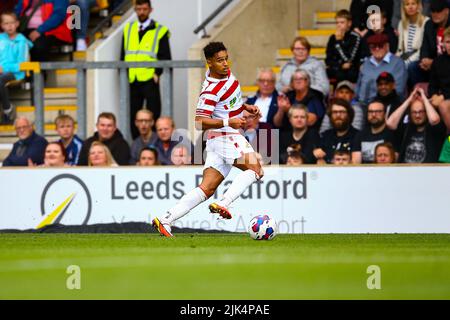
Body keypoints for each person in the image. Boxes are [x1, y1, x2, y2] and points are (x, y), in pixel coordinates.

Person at [152, 42, 263, 237]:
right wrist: (230, 121)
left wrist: (245, 107)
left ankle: (165, 219)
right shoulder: (210, 90)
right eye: (220, 60)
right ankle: (224, 203)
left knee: (207, 187)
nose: (225, 63)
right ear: (209, 62)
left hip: (220, 138)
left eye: (226, 58)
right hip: (224, 135)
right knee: (256, 169)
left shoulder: (225, 75)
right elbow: (199, 122)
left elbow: (230, 100)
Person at [121, 0, 171, 139]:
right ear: (135, 9)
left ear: (150, 10)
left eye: (144, 9)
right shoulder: (128, 29)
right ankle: (137, 145)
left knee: (153, 112)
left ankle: (154, 143)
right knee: (133, 115)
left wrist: (157, 73)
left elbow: (165, 56)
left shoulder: (160, 30)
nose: (141, 12)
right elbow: (123, 55)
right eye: (138, 9)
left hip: (150, 78)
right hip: (133, 78)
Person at [386, 87, 447, 162]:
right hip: (405, 172)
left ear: (426, 112)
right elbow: (390, 123)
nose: (417, 115)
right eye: (414, 112)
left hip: (429, 171)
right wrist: (408, 101)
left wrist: (424, 99)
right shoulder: (406, 127)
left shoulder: (434, 128)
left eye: (421, 112)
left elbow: (434, 120)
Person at [355, 33, 407, 107]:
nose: (377, 49)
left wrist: (375, 103)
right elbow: (358, 88)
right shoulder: (366, 64)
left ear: (387, 46)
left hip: (388, 104)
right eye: (373, 47)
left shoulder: (398, 63)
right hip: (363, 105)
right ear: (369, 49)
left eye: (380, 46)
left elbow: (399, 90)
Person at [0, 11, 32, 124]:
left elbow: (22, 64)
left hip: (16, 73)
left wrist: (4, 68)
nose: (9, 26)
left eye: (12, 23)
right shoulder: (0, 39)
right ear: (2, 26)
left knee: (1, 79)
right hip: (1, 71)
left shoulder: (22, 41)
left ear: (17, 24)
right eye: (6, 23)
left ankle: (8, 109)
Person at [314, 98, 359, 164]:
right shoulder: (325, 136)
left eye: (342, 112)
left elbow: (356, 164)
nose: (338, 115)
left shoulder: (357, 136)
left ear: (349, 114)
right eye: (335, 112)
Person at [396, 0, 429, 88]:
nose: (410, 7)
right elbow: (400, 49)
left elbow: (422, 49)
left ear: (418, 5)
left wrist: (406, 62)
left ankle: (415, 92)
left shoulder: (426, 22)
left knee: (410, 67)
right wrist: (396, 61)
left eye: (413, 4)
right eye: (407, 4)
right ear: (404, 7)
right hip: (404, 57)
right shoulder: (401, 23)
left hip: (418, 58)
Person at [417, 0, 450, 84]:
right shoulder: (429, 25)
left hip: (447, 63)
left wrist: (435, 63)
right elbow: (424, 47)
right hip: (431, 63)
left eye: (438, 11)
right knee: (413, 67)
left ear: (447, 11)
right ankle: (420, 94)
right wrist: (424, 60)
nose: (435, 14)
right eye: (433, 11)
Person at [325, 9, 362, 83]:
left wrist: (339, 42)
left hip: (352, 71)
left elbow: (349, 59)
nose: (339, 25)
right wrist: (340, 65)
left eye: (342, 22)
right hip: (337, 69)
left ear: (349, 23)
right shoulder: (332, 38)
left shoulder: (355, 37)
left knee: (348, 73)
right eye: (337, 22)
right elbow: (328, 60)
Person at [429, 26, 450, 130]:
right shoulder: (438, 61)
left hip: (446, 99)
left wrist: (442, 97)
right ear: (443, 44)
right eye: (448, 42)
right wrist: (433, 96)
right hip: (445, 98)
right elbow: (432, 85)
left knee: (443, 105)